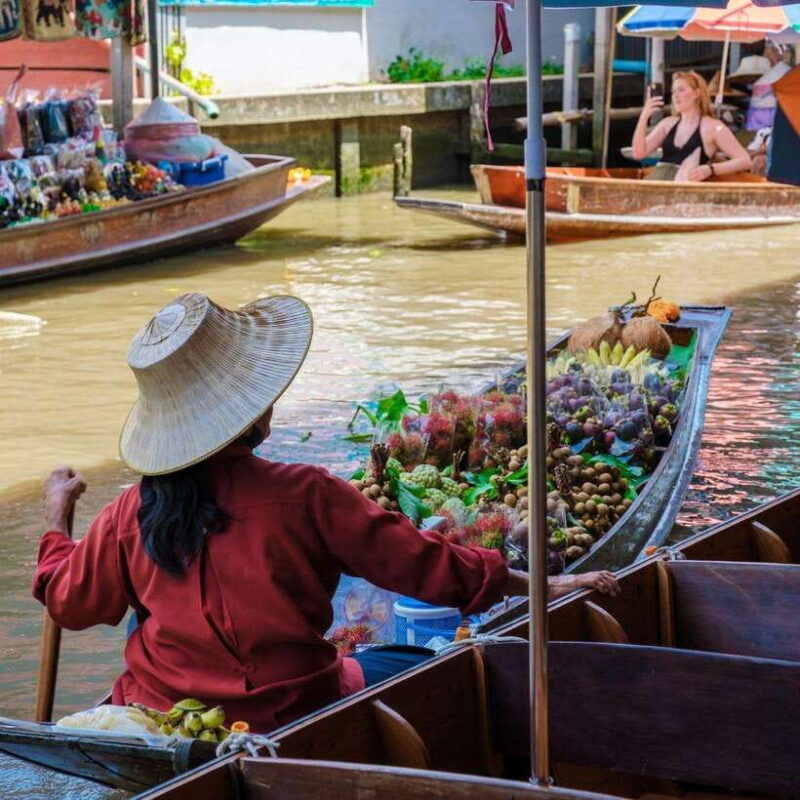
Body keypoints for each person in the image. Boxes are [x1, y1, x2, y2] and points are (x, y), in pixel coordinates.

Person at [33, 293, 620, 733]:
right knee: (430, 665)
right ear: (254, 414)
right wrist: (545, 583)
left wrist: (57, 519)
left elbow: (69, 602)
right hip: (295, 707)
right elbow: (429, 567)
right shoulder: (306, 494)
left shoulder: (128, 513)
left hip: (163, 713)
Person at [632, 70, 752, 182]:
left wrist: (711, 169)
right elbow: (638, 153)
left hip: (685, 188)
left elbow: (745, 161)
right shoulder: (667, 124)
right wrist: (644, 116)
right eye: (673, 91)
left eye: (681, 90)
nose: (675, 95)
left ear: (696, 93)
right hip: (658, 181)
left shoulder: (713, 127)